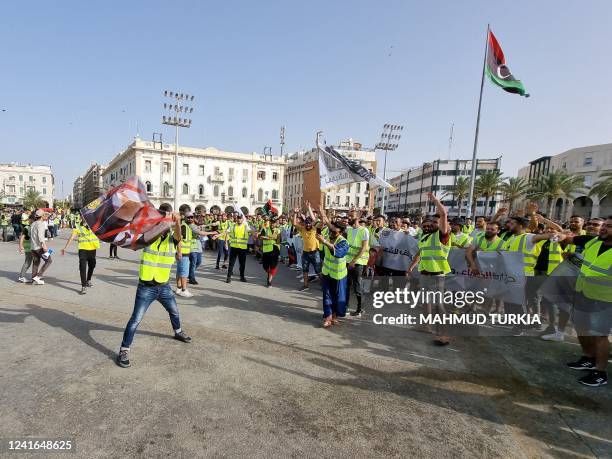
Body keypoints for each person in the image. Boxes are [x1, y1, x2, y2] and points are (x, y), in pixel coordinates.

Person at [116, 205, 192, 368]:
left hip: (163, 286)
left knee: (174, 311)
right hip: (146, 287)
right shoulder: (150, 236)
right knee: (135, 320)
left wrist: (177, 222)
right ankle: (124, 350)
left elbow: (179, 237)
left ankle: (178, 332)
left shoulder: (172, 238)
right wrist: (160, 222)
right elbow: (139, 236)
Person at [553, 217, 611, 387]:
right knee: (580, 327)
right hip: (582, 292)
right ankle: (588, 357)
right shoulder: (592, 242)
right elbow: (568, 239)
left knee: (600, 334)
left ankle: (600, 372)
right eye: (605, 225)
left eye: (609, 227)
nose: (603, 229)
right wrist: (561, 237)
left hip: (605, 298)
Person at [408, 193, 452, 345]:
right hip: (425, 274)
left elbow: (444, 214)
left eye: (432, 224)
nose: (427, 226)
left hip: (437, 275)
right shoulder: (425, 237)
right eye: (425, 225)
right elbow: (420, 254)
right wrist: (411, 267)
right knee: (426, 302)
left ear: (437, 225)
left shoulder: (442, 236)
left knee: (439, 305)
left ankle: (444, 334)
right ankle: (426, 325)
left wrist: (435, 200)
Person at [317, 220, 350, 328]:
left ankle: (334, 316)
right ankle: (328, 317)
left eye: (334, 232)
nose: (331, 233)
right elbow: (321, 250)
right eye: (331, 230)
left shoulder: (344, 242)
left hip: (339, 275)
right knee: (326, 295)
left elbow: (338, 253)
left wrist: (325, 242)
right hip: (327, 272)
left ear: (340, 232)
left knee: (337, 297)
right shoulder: (327, 237)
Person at [61, 218, 101, 295]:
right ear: (82, 218)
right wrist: (65, 248)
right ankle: (83, 286)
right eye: (83, 217)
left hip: (92, 249)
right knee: (82, 267)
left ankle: (88, 280)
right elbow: (72, 237)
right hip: (83, 250)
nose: (85, 219)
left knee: (92, 265)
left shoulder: (94, 226)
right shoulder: (78, 227)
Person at [342, 209, 369, 317]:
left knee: (357, 286)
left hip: (358, 262)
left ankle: (360, 309)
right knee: (347, 285)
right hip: (348, 261)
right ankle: (346, 307)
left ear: (357, 217)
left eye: (351, 216)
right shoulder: (348, 230)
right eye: (348, 216)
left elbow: (363, 248)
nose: (349, 217)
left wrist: (354, 261)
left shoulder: (364, 230)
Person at [292, 203, 321, 292]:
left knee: (318, 270)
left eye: (309, 223)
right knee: (305, 270)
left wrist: (309, 208)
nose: (308, 225)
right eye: (306, 223)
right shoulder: (302, 229)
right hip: (305, 253)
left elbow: (317, 220)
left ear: (311, 224)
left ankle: (324, 285)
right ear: (304, 224)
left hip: (315, 252)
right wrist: (295, 213)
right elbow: (294, 223)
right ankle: (305, 285)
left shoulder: (314, 228)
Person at [225, 213, 251, 283]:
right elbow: (226, 232)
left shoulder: (246, 227)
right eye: (238, 218)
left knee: (242, 264)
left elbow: (251, 231)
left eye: (240, 218)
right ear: (236, 219)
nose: (239, 219)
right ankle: (228, 277)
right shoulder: (233, 226)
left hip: (242, 248)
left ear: (242, 219)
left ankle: (242, 277)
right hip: (234, 247)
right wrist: (218, 235)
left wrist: (256, 233)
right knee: (231, 263)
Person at [30, 209, 52, 285]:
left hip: (33, 247)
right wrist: (44, 246)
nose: (46, 216)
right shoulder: (41, 224)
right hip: (39, 247)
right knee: (49, 260)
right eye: (45, 215)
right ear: (42, 216)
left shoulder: (33, 224)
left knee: (36, 263)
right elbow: (40, 237)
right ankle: (38, 276)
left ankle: (33, 278)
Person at [260, 216, 281, 287]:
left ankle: (269, 281)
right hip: (266, 249)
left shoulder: (278, 230)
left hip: (275, 250)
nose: (272, 224)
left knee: (273, 266)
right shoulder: (265, 229)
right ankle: (269, 274)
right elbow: (261, 237)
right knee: (265, 266)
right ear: (270, 222)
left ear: (276, 223)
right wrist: (270, 238)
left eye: (274, 223)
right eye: (271, 222)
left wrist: (274, 238)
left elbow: (278, 240)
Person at [18, 214, 34, 283]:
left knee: (30, 261)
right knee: (28, 262)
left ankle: (35, 276)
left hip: (32, 246)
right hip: (28, 247)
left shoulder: (32, 227)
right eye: (33, 219)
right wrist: (21, 246)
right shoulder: (27, 227)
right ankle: (21, 277)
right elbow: (22, 237)